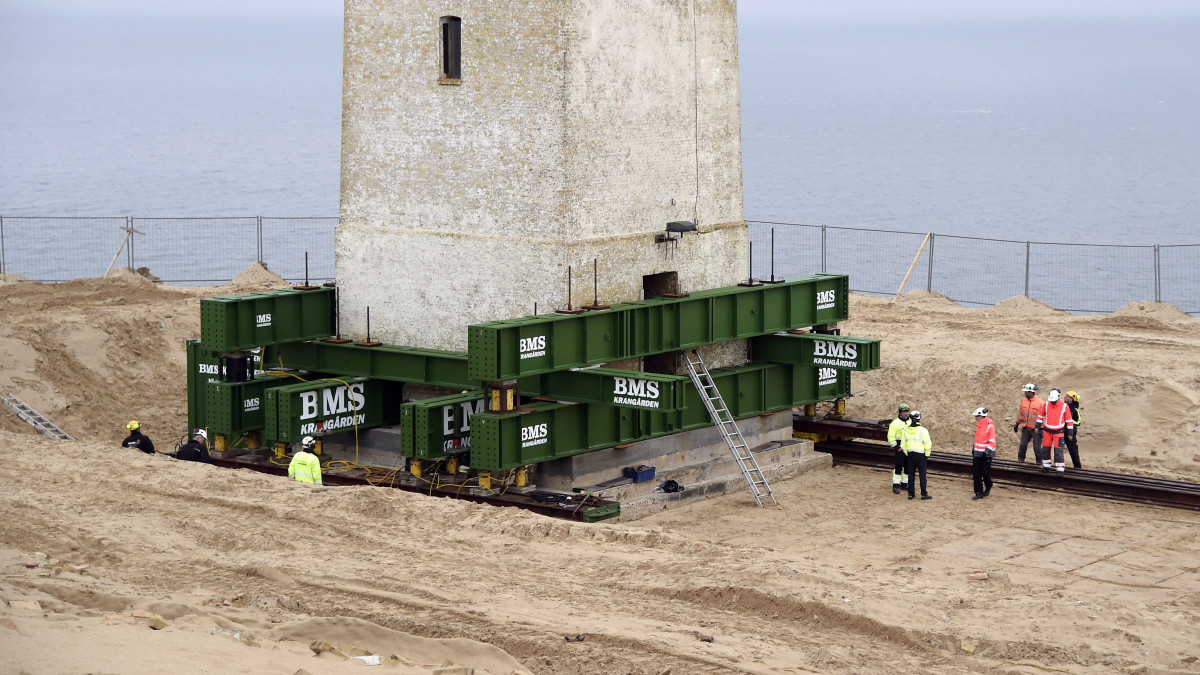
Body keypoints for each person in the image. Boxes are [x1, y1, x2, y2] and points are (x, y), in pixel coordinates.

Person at [1036, 388, 1074, 476]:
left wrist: (1070, 433)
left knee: (1058, 451)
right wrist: (1037, 426)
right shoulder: (1046, 404)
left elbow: (1069, 421)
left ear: (1058, 398)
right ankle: (1046, 466)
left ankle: (1060, 469)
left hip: (1059, 432)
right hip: (1047, 431)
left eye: (1054, 401)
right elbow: (1040, 416)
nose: (1052, 402)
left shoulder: (1065, 406)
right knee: (1045, 449)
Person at [903, 410, 932, 500]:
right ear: (919, 419)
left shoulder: (906, 430)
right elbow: (928, 444)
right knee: (922, 475)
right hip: (920, 455)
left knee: (911, 475)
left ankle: (911, 494)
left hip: (910, 455)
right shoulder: (923, 431)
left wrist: (907, 453)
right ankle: (923, 494)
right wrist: (927, 455)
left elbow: (903, 444)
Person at [1013, 383, 1042, 463]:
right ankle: (1020, 461)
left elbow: (1044, 417)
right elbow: (1021, 413)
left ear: (1032, 392)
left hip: (1036, 430)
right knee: (1022, 446)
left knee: (1037, 448)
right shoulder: (1024, 401)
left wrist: (1042, 428)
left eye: (1026, 392)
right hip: (1026, 429)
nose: (1025, 393)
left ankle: (1039, 463)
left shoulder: (1040, 403)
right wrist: (1017, 423)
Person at [971, 407, 996, 500]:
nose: (975, 418)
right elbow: (978, 439)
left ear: (981, 416)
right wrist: (974, 448)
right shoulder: (979, 425)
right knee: (976, 474)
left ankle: (988, 485)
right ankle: (978, 492)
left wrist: (987, 452)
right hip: (977, 454)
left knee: (985, 474)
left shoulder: (989, 426)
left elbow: (992, 441)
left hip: (986, 455)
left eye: (976, 416)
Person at [888, 403, 912, 494]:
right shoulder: (895, 424)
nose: (906, 413)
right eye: (904, 412)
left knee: (907, 466)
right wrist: (897, 447)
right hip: (900, 447)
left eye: (907, 411)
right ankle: (896, 485)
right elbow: (890, 437)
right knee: (898, 466)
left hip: (908, 447)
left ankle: (904, 484)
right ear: (900, 413)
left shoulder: (911, 422)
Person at [1063, 391, 1082, 469]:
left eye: (1067, 396)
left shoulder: (1075, 410)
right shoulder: (1063, 407)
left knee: (1073, 450)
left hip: (1070, 433)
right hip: (1060, 431)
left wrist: (1068, 421)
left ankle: (1077, 467)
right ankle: (1059, 466)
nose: (1065, 397)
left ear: (1071, 399)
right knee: (1058, 450)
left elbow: (1078, 422)